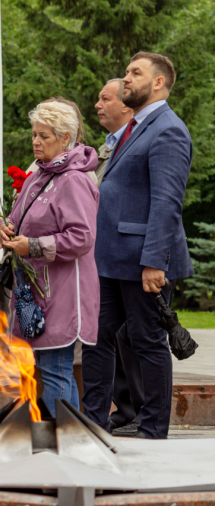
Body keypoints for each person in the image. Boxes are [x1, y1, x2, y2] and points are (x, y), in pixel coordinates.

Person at [83, 52, 193, 439]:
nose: (126, 79)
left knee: (147, 342)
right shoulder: (132, 128)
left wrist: (154, 262)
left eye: (135, 73)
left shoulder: (168, 129)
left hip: (142, 261)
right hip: (109, 258)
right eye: (127, 72)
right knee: (96, 337)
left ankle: (152, 432)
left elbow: (166, 202)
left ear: (159, 83)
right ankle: (91, 424)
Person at [0, 100, 100, 416]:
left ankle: (60, 440)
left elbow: (82, 237)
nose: (36, 142)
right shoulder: (38, 175)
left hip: (65, 290)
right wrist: (4, 230)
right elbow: (16, 218)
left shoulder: (74, 179)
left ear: (65, 137)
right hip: (36, 289)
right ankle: (61, 438)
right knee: (47, 367)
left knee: (55, 367)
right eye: (34, 135)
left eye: (44, 136)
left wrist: (34, 246)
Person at [94, 78, 144, 436]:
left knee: (138, 338)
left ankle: (143, 412)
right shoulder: (104, 147)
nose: (97, 104)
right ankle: (124, 410)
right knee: (111, 335)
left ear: (126, 106)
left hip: (135, 255)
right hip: (106, 253)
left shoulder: (139, 139)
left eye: (105, 98)